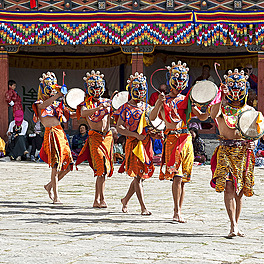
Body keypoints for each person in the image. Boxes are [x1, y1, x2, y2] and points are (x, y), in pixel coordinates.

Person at [195, 68, 259, 237]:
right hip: (225, 151)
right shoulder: (221, 109)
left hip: (243, 152)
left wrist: (254, 144)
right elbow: (212, 115)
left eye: (239, 86)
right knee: (229, 187)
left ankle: (236, 222)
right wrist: (220, 97)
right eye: (233, 86)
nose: (236, 90)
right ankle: (232, 224)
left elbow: (256, 132)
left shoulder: (250, 111)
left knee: (239, 191)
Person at [151, 61, 195, 223]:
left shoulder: (187, 99)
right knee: (177, 176)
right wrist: (158, 103)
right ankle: (176, 211)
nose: (179, 82)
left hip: (186, 138)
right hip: (171, 138)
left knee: (182, 179)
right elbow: (152, 117)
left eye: (182, 78)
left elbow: (203, 117)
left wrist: (213, 102)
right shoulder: (164, 100)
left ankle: (179, 209)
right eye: (176, 78)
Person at [116, 72, 154, 216]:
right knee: (138, 176)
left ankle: (125, 200)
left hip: (145, 143)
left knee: (140, 176)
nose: (140, 92)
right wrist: (135, 135)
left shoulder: (146, 107)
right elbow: (120, 127)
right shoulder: (125, 108)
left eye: (142, 89)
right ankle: (143, 207)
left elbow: (153, 123)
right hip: (132, 144)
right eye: (137, 89)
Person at [32, 71, 73, 204]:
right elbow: (44, 105)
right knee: (55, 166)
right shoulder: (39, 103)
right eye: (48, 85)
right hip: (51, 134)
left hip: (61, 134)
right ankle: (56, 196)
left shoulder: (57, 104)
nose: (51, 87)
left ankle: (49, 186)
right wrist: (58, 95)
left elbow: (69, 114)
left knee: (68, 166)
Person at [75, 70, 114, 209]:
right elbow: (84, 113)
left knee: (105, 169)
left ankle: (98, 199)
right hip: (95, 137)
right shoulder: (86, 103)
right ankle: (100, 199)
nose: (97, 89)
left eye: (99, 85)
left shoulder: (107, 101)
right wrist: (98, 108)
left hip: (107, 137)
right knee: (101, 169)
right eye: (93, 86)